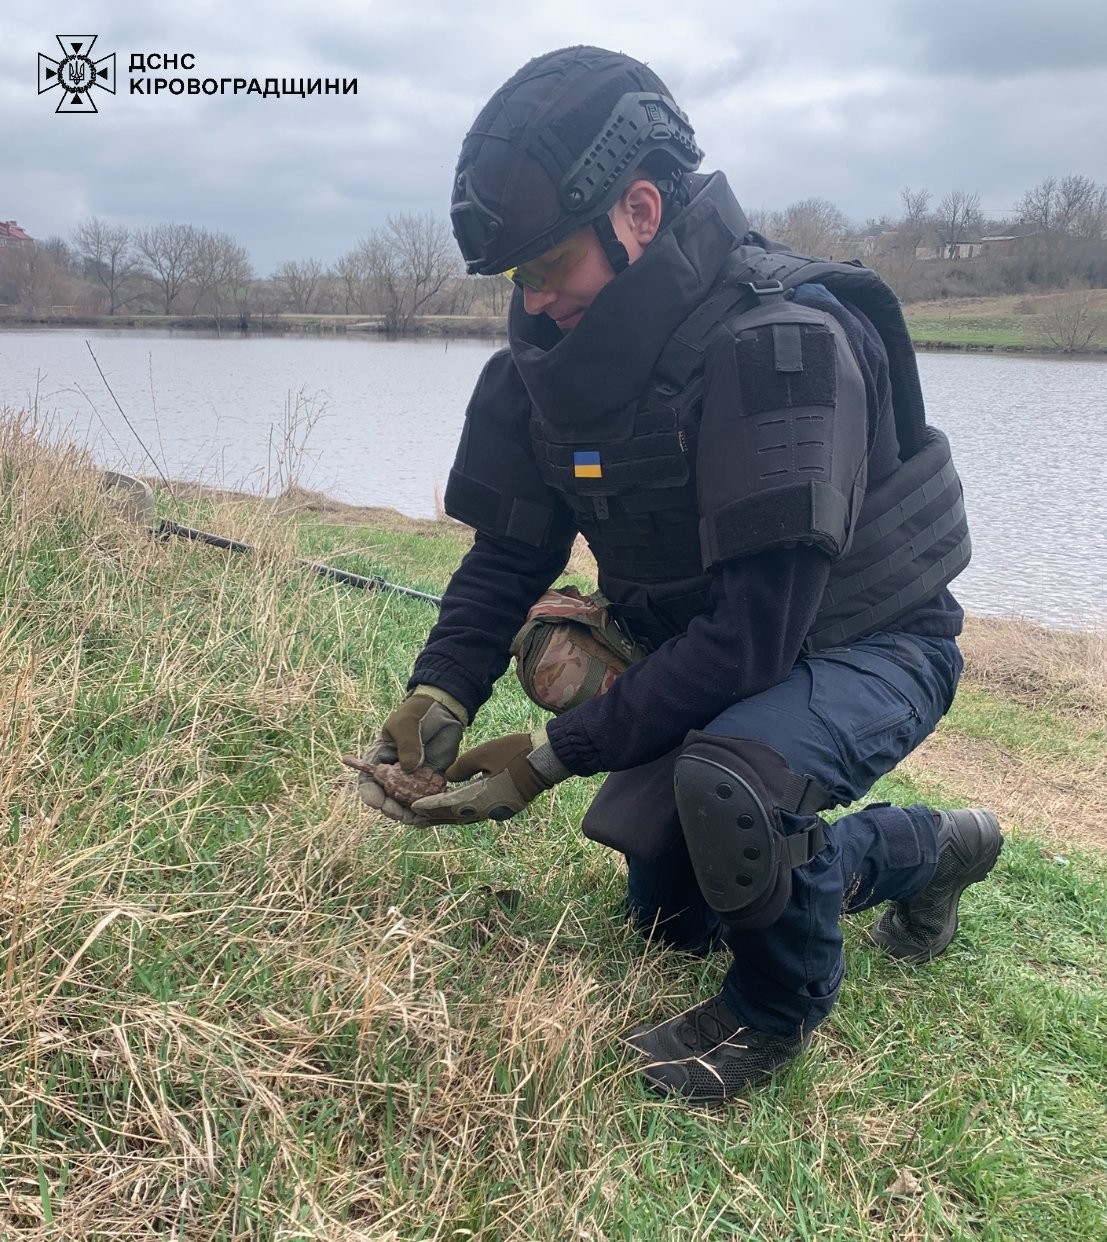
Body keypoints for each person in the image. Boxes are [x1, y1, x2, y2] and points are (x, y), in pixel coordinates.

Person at [353, 45, 1002, 1106]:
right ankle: (930, 851)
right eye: (517, 275)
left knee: (732, 788)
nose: (535, 299)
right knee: (673, 917)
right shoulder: (546, 368)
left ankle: (772, 1011)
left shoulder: (781, 346)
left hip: (871, 641)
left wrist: (552, 760)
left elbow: (754, 642)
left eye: (548, 264)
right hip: (731, 648)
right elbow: (511, 555)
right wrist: (441, 691)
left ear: (640, 213)